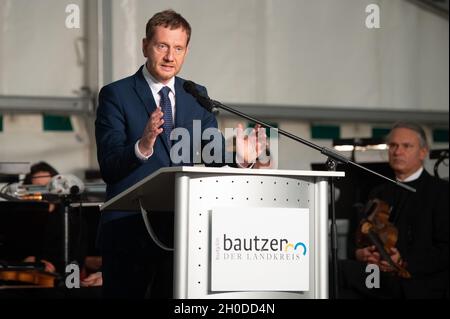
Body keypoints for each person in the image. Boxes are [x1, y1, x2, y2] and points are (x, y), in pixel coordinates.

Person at [95, 9, 265, 298]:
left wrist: (241, 160)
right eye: (162, 46)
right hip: (129, 230)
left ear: (186, 51)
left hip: (183, 232)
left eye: (178, 48)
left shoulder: (195, 95)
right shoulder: (116, 94)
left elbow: (213, 157)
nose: (169, 57)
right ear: (145, 46)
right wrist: (144, 144)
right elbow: (109, 166)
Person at [339, 122, 449, 298]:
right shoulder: (378, 191)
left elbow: (445, 250)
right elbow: (358, 237)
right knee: (334, 273)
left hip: (417, 281)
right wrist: (361, 253)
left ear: (423, 152)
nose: (397, 151)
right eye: (393, 145)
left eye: (406, 146)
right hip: (377, 277)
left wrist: (404, 261)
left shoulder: (441, 192)